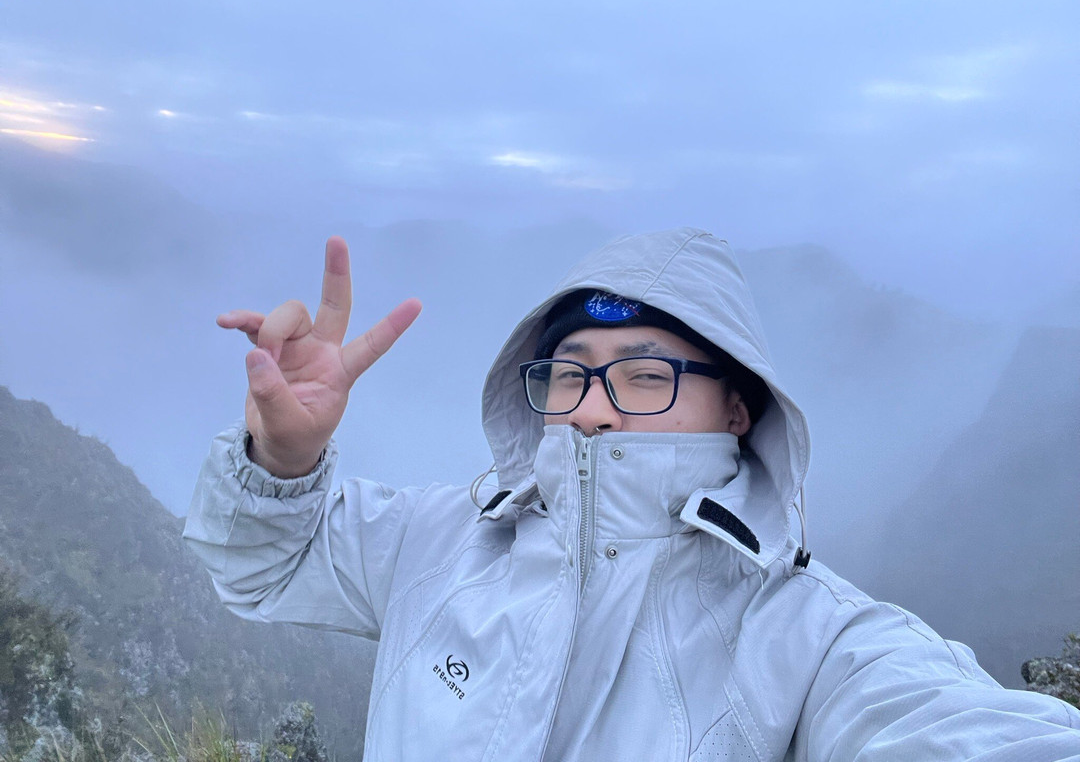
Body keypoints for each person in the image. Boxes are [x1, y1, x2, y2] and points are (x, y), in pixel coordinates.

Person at [183, 228, 1080, 760]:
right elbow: (268, 566)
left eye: (646, 376)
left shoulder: (809, 637)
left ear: (738, 408)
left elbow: (953, 728)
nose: (593, 409)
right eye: (569, 373)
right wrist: (281, 456)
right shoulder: (441, 541)